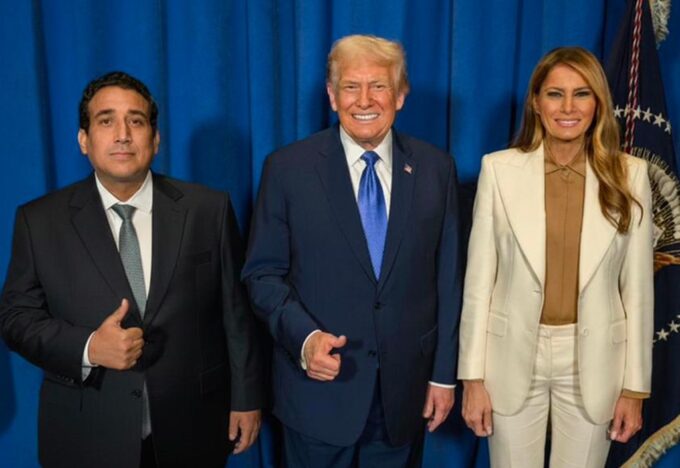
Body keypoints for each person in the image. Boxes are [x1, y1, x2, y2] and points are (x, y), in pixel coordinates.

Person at [0, 71, 263, 467]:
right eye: (106, 121)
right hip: (86, 432)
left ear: (155, 140)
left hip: (193, 429)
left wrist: (246, 398)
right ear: (84, 139)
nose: (122, 135)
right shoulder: (38, 221)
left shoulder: (208, 209)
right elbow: (16, 319)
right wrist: (90, 347)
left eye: (136, 121)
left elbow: (236, 313)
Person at [242, 34, 461, 467]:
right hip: (317, 395)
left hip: (404, 398)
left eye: (379, 86)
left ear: (400, 95)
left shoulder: (436, 168)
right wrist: (305, 339)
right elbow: (262, 275)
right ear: (331, 95)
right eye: (350, 87)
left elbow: (449, 280)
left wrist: (443, 376)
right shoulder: (287, 169)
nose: (364, 100)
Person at [457, 47, 653, 467]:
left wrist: (634, 388)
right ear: (535, 102)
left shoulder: (631, 175)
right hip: (510, 357)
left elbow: (638, 291)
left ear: (598, 104)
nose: (568, 108)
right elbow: (478, 285)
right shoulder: (498, 170)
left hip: (594, 360)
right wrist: (472, 377)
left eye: (581, 94)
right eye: (554, 94)